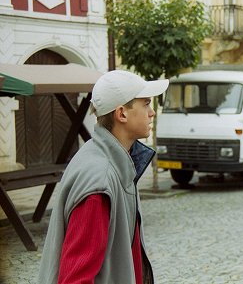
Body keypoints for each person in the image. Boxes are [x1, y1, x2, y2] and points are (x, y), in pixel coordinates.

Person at [38, 70, 169, 284]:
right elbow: (75, 278)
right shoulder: (100, 181)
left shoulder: (117, 160)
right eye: (145, 104)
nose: (152, 112)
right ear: (122, 114)